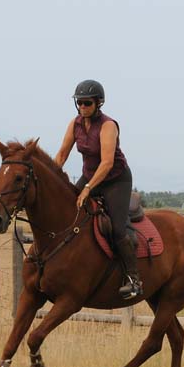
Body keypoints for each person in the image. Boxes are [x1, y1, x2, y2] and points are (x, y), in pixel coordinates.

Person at [54, 79, 142, 300]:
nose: (82, 107)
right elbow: (62, 155)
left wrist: (87, 188)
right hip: (89, 174)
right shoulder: (74, 124)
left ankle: (133, 279)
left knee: (117, 228)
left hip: (115, 179)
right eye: (79, 103)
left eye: (87, 103)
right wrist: (52, 179)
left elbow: (107, 163)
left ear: (98, 103)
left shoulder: (108, 125)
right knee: (67, 211)